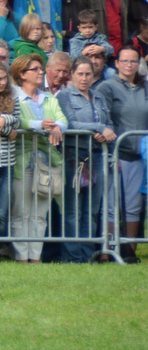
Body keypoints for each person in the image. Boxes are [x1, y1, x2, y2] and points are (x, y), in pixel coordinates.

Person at [56, 56, 114, 263]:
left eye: (88, 74)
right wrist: (98, 129)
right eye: (80, 74)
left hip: (97, 155)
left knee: (91, 209)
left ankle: (87, 254)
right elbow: (70, 124)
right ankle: (72, 255)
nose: (84, 78)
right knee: (73, 209)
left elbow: (111, 124)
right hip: (74, 156)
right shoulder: (65, 96)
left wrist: (106, 133)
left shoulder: (98, 97)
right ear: (72, 75)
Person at [5, 54, 63, 262]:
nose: (40, 72)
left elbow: (63, 119)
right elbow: (17, 121)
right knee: (21, 211)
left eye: (41, 68)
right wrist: (40, 125)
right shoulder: (12, 98)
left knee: (40, 213)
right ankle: (21, 257)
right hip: (22, 161)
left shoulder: (50, 98)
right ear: (22, 74)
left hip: (47, 162)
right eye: (35, 69)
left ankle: (35, 257)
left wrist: (57, 126)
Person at [96, 48, 146, 261]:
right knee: (111, 205)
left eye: (133, 61)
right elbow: (103, 118)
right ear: (116, 63)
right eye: (125, 61)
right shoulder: (107, 87)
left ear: (139, 63)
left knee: (134, 206)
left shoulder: (145, 86)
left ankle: (130, 251)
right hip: (117, 153)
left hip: (141, 156)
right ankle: (108, 252)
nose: (129, 65)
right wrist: (112, 147)